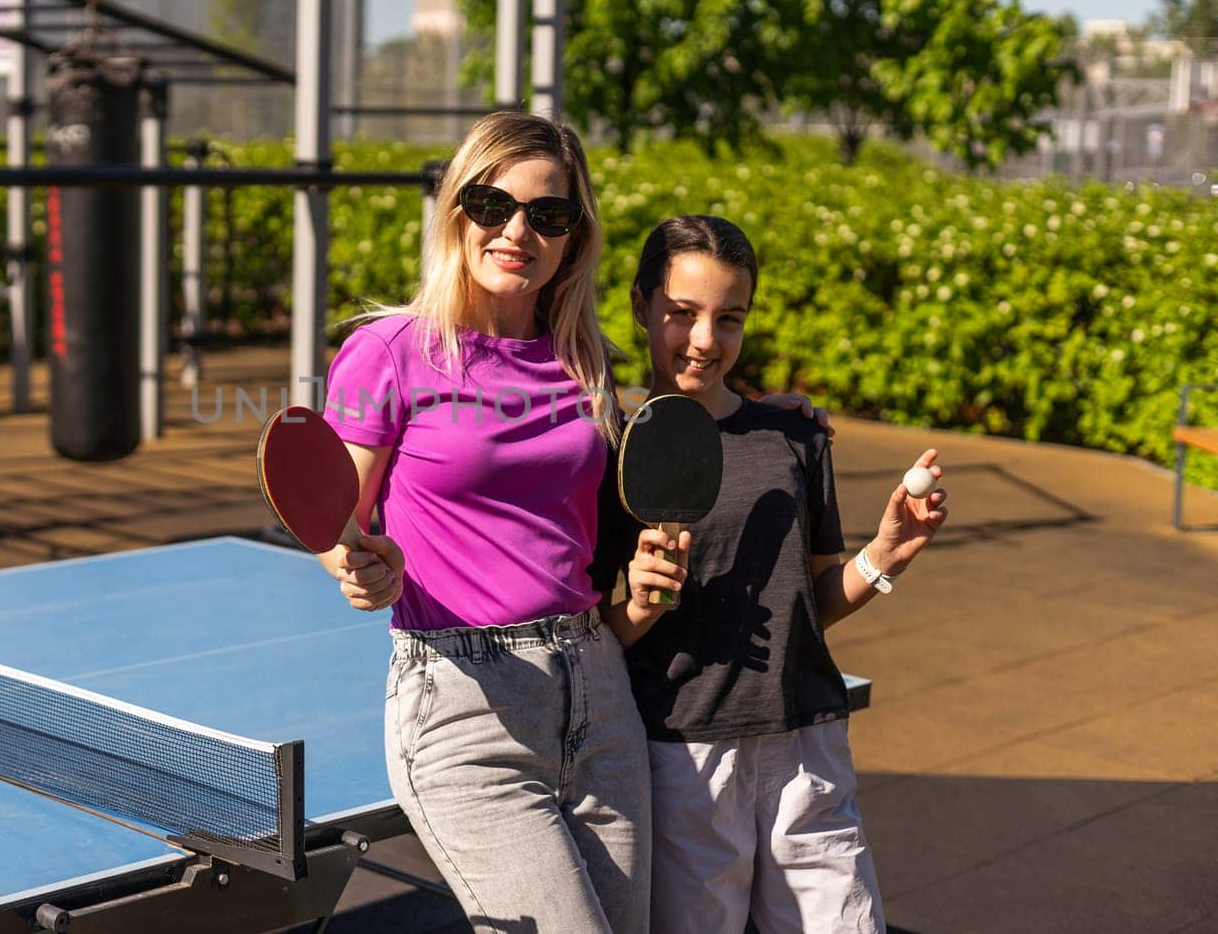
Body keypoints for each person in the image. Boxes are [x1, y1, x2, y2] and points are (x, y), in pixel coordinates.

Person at [316, 111, 653, 934]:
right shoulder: (387, 351)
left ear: (574, 237)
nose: (516, 230)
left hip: (600, 691)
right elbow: (335, 522)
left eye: (549, 214)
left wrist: (773, 417)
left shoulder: (588, 359)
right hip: (463, 699)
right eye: (491, 203)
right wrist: (356, 566)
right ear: (455, 210)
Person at [601, 214, 949, 934]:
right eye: (682, 314)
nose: (705, 339)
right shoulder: (605, 448)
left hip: (807, 741)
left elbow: (811, 603)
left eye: (729, 318)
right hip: (684, 753)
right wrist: (639, 602)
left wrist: (882, 555)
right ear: (640, 307)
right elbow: (596, 641)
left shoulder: (795, 435)